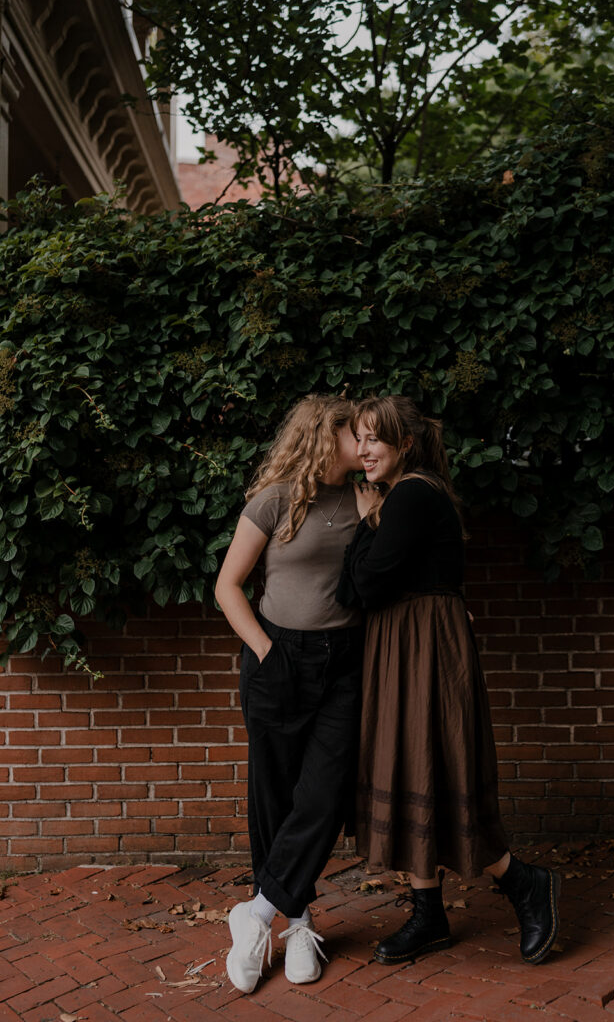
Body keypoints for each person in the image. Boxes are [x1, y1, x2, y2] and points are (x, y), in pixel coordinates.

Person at [336, 394, 560, 967]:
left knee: (438, 762)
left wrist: (364, 522)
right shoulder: (403, 495)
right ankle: (429, 914)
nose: (363, 450)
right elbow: (363, 586)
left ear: (405, 443)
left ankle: (524, 882)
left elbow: (363, 586)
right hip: (405, 641)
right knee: (416, 764)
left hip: (424, 646)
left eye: (374, 438)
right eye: (359, 438)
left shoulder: (412, 494)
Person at [215, 394, 364, 994]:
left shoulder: (368, 499)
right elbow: (228, 586)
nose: (365, 443)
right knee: (273, 794)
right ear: (326, 437)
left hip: (344, 660)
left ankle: (256, 913)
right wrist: (265, 651)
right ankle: (297, 923)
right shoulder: (275, 499)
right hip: (277, 655)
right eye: (355, 434)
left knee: (325, 794)